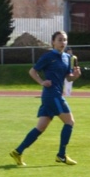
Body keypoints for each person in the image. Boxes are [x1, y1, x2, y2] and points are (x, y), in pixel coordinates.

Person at [9, 30, 81, 166]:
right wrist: (42, 82)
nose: (63, 42)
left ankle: (18, 151)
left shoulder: (67, 58)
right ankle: (61, 155)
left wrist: (76, 76)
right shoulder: (48, 57)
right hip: (51, 95)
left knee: (40, 127)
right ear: (53, 42)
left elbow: (68, 78)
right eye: (59, 40)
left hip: (54, 95)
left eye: (65, 40)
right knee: (70, 122)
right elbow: (32, 71)